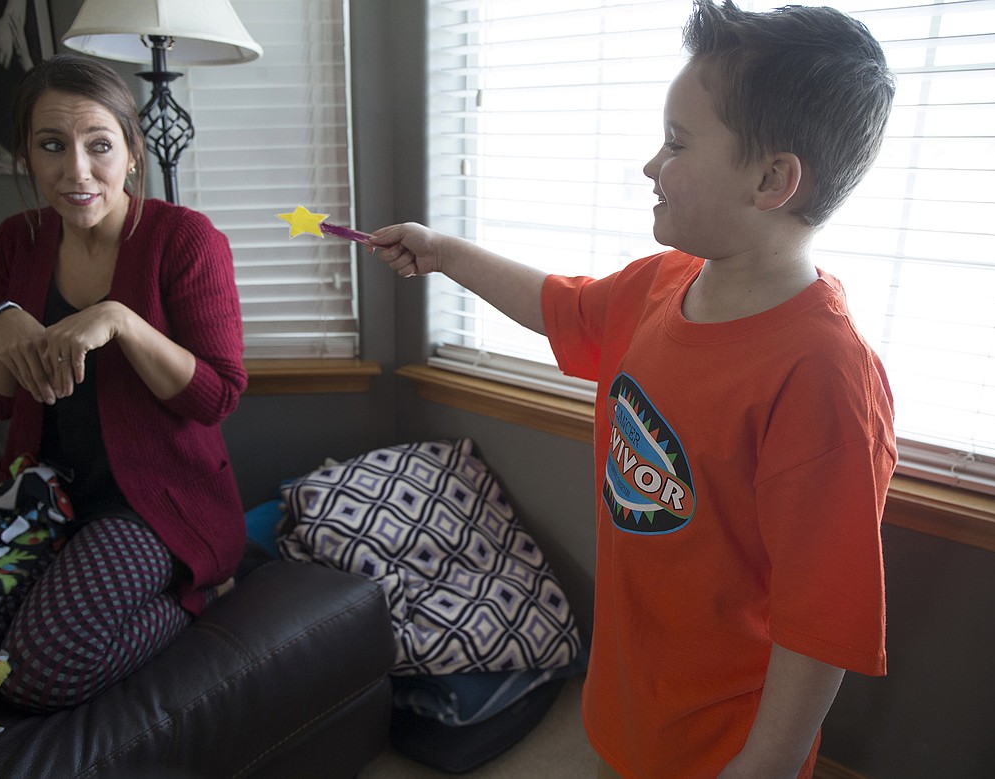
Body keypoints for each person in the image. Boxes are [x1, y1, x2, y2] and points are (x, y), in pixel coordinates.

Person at [371, 2, 897, 777]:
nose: (652, 164)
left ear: (772, 179)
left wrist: (766, 764)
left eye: (677, 143)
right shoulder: (662, 284)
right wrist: (444, 252)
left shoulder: (822, 374)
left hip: (725, 740)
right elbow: (559, 305)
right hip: (628, 698)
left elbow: (822, 620)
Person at [0, 53, 248, 712]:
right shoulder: (16, 241)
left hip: (154, 508)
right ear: (25, 157)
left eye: (99, 145)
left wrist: (121, 321)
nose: (77, 172)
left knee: (33, 672)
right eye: (52, 147)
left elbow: (218, 395)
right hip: (43, 496)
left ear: (132, 152)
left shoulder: (184, 240)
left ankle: (199, 594)